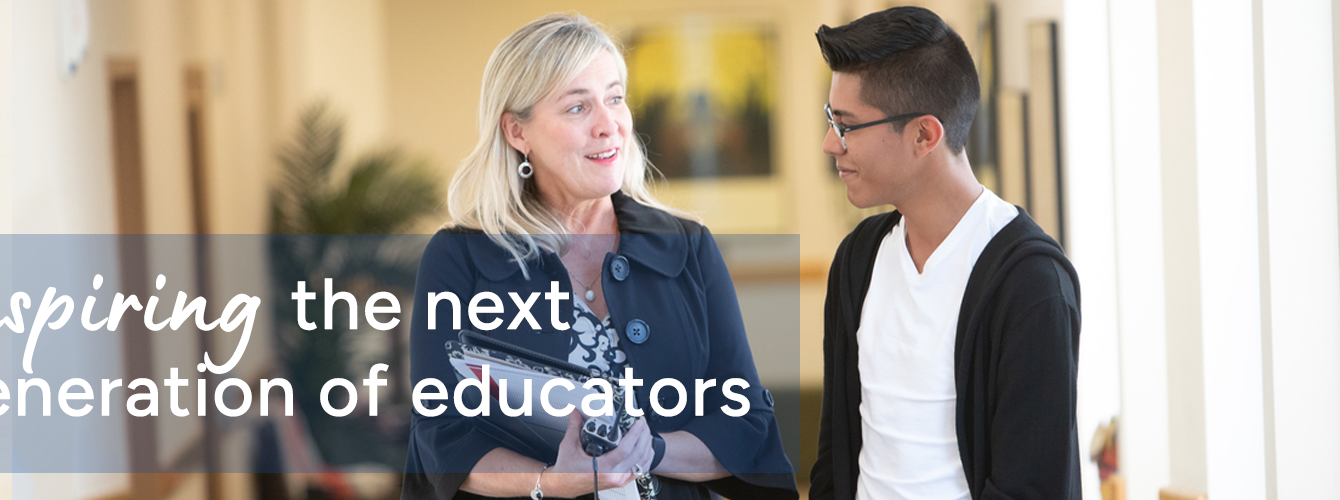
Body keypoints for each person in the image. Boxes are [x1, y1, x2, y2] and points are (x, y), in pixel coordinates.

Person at [402, 13, 796, 500]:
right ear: (516, 131)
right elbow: (442, 437)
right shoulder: (459, 256)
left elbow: (746, 426)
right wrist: (550, 483)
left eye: (614, 98)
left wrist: (648, 450)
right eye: (576, 108)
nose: (609, 126)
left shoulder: (688, 246)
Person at [808, 7, 1082, 500]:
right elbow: (835, 455)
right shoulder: (858, 260)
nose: (831, 144)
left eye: (846, 125)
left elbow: (1033, 486)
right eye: (832, 119)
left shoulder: (1029, 282)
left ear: (924, 135)